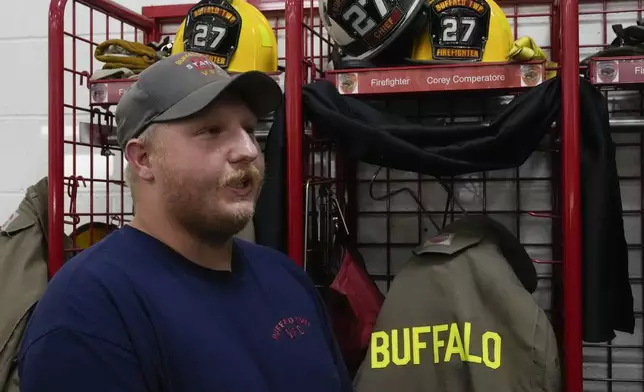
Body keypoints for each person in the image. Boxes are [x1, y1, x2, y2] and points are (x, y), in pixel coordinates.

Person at [18, 52, 353, 392]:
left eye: (249, 129)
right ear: (144, 159)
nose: (248, 150)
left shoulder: (286, 279)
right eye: (211, 130)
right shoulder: (89, 311)